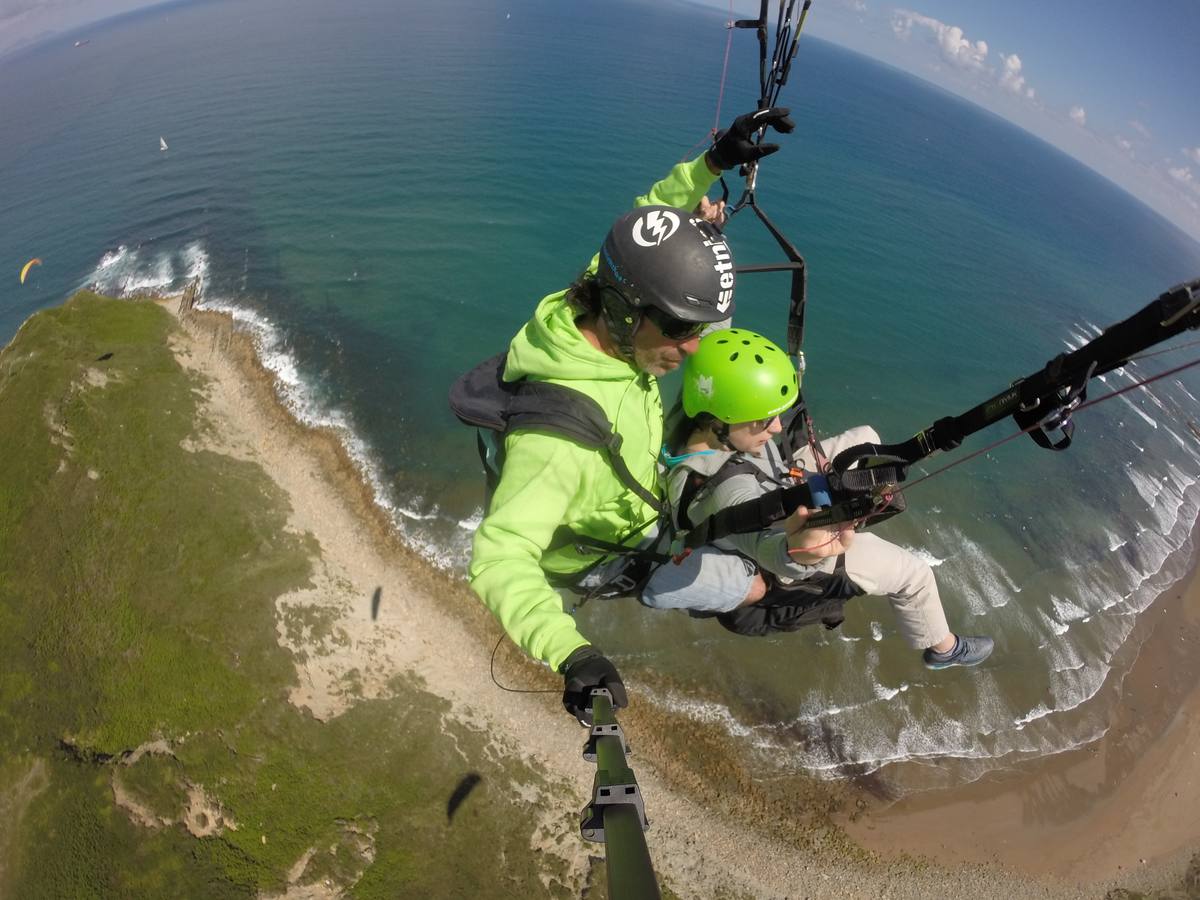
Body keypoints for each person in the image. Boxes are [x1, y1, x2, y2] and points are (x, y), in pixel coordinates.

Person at [468, 109, 797, 723]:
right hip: (619, 552)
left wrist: (713, 163)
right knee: (755, 589)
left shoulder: (599, 296)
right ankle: (774, 598)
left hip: (636, 461)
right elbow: (500, 553)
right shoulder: (556, 444)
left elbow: (645, 224)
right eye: (679, 329)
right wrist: (568, 651)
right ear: (624, 313)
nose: (695, 344)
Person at [642, 327, 994, 669]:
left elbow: (715, 335)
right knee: (913, 575)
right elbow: (773, 550)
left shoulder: (694, 419)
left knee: (866, 439)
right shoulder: (727, 494)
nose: (777, 427)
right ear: (721, 420)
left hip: (772, 481)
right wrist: (802, 548)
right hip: (779, 536)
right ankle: (944, 649)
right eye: (764, 421)